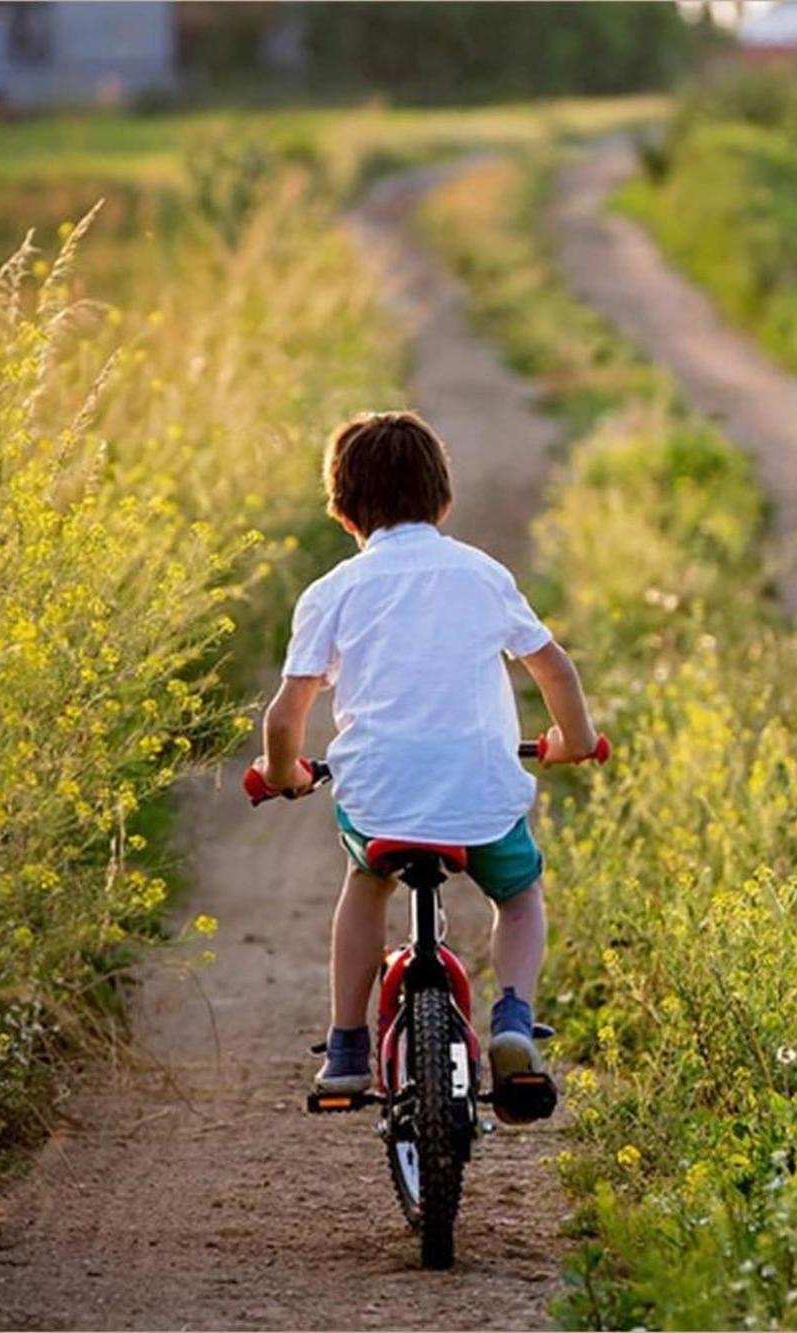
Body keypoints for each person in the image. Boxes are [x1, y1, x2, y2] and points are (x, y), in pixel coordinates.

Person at [253, 410, 600, 1095]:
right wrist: (576, 742)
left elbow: (286, 712)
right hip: (483, 796)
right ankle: (516, 1018)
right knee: (521, 893)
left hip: (379, 799)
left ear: (344, 514)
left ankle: (348, 1046)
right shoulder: (481, 574)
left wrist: (280, 772)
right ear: (443, 501)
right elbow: (554, 669)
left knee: (365, 883)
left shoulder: (332, 592)